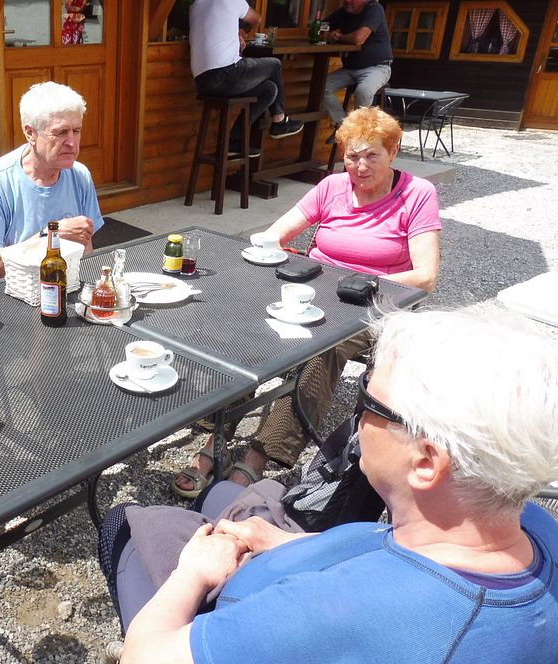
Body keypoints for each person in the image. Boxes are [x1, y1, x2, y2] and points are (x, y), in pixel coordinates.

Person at [101, 305, 558, 663]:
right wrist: (282, 543)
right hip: (289, 562)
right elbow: (394, 552)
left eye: (367, 403)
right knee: (222, 495)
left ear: (425, 462)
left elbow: (144, 658)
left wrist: (194, 572)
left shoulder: (333, 611)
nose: (356, 419)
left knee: (122, 524)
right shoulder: (532, 527)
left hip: (235, 611)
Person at [173, 106, 440, 498]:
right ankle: (216, 439)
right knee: (245, 328)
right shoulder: (332, 187)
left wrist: (359, 281)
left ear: (394, 150)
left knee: (320, 352)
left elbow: (425, 276)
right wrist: (272, 250)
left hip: (373, 304)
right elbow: (272, 236)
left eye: (372, 156)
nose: (360, 166)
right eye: (352, 155)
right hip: (312, 292)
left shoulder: (417, 195)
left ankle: (259, 458)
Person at [0, 81, 104, 280]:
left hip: (63, 284)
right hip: (7, 291)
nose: (72, 142)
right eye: (61, 132)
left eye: (76, 131)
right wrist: (52, 235)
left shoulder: (80, 176)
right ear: (30, 133)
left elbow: (85, 252)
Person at [188, 0, 304, 156]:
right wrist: (241, 31)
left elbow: (214, 26)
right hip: (226, 73)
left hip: (203, 82)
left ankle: (235, 140)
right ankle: (280, 121)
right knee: (275, 64)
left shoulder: (196, 5)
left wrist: (235, 34)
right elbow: (256, 19)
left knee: (269, 90)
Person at [321, 0, 394, 140]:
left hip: (377, 67)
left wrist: (340, 37)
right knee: (322, 86)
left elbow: (358, 39)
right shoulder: (343, 12)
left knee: (363, 91)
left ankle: (359, 133)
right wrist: (327, 34)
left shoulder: (374, 9)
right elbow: (320, 27)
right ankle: (344, 126)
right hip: (350, 68)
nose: (347, 1)